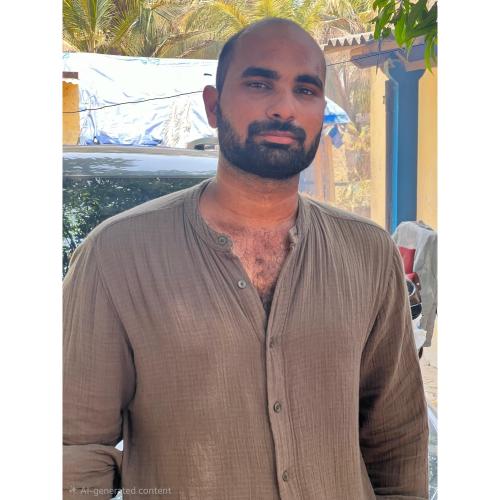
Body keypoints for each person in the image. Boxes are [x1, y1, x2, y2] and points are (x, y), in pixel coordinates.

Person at [63, 18, 429, 500]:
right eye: (259, 84)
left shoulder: (368, 253)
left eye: (305, 90)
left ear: (320, 112)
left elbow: (395, 435)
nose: (284, 107)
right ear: (213, 107)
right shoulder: (116, 256)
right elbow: (75, 448)